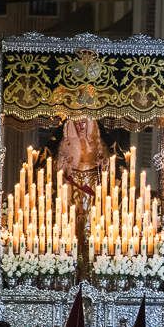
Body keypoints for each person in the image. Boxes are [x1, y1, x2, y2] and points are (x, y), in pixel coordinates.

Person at [56, 118, 110, 278]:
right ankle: (72, 264)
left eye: (83, 123)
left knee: (89, 225)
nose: (80, 126)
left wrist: (103, 162)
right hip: (73, 186)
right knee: (71, 225)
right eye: (77, 123)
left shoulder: (97, 143)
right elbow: (59, 170)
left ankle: (89, 264)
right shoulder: (66, 144)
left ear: (90, 124)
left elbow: (107, 166)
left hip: (91, 186)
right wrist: (64, 165)